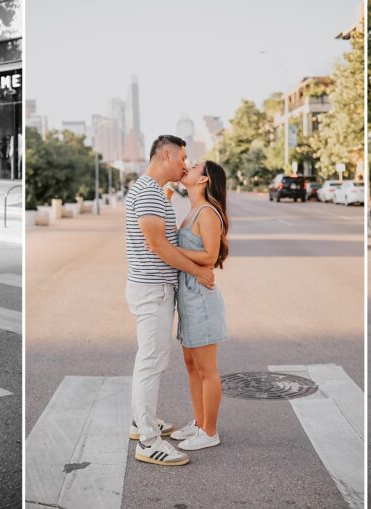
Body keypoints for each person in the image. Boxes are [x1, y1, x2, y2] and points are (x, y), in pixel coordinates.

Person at [125, 134, 214, 467]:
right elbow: (159, 246)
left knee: (151, 360)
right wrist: (198, 271)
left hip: (151, 288)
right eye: (183, 158)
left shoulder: (152, 190)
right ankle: (148, 441)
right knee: (151, 361)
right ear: (167, 154)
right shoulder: (148, 191)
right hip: (152, 291)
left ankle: (141, 421)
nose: (186, 164)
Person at [168, 160, 229, 451]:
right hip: (189, 298)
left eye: (193, 167)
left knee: (207, 370)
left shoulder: (207, 212)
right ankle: (199, 421)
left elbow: (210, 256)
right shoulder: (192, 210)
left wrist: (169, 252)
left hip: (202, 300)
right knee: (191, 366)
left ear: (203, 179)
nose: (187, 168)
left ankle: (210, 431)